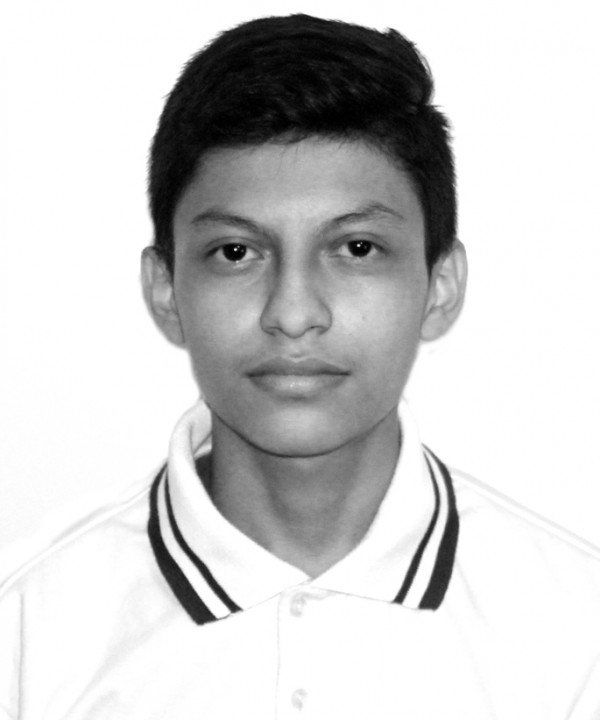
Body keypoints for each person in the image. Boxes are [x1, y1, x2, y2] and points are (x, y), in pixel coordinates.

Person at [1, 13, 600, 719]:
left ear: (440, 285)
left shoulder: (575, 637)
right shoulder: (29, 629)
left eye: (357, 249)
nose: (292, 313)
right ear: (166, 291)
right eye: (236, 252)